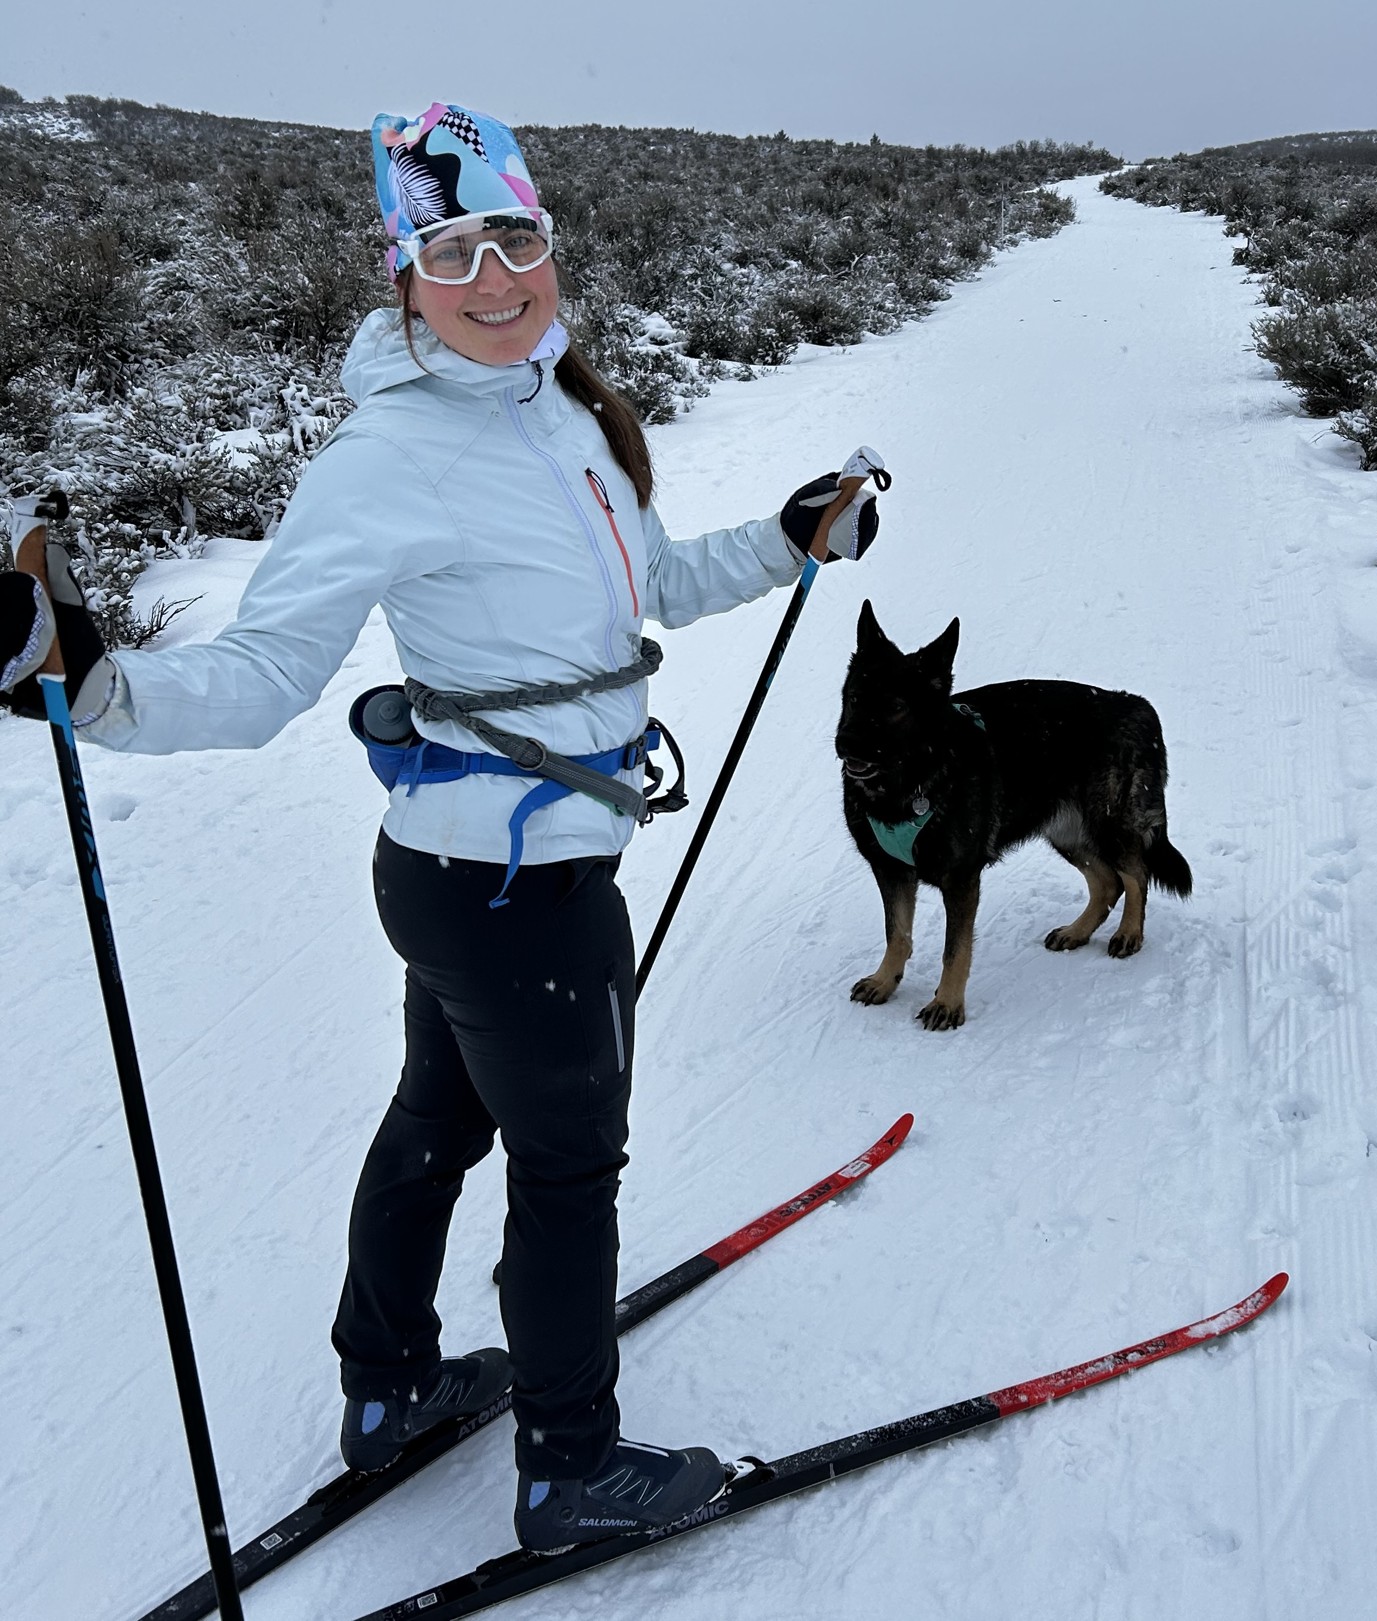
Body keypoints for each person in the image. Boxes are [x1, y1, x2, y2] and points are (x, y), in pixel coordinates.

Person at [0, 101, 880, 1551]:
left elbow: (649, 585)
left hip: (468, 873)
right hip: (517, 889)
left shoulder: (565, 411)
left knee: (442, 1118)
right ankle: (571, 1469)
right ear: (401, 270)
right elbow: (265, 668)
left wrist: (790, 540)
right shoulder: (386, 456)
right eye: (451, 247)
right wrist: (91, 681)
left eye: (514, 238)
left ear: (549, 241)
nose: (494, 276)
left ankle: (390, 1385)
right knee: (568, 1165)